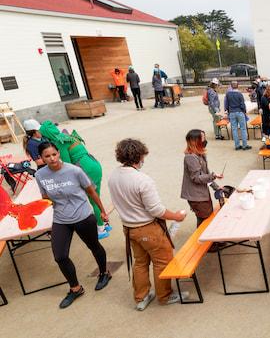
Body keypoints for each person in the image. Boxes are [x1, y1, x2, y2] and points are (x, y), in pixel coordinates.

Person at [107, 138, 187, 310]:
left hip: (128, 228)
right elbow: (156, 210)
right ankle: (165, 295)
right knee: (162, 261)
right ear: (140, 156)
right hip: (148, 228)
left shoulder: (113, 175)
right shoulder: (143, 180)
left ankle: (141, 297)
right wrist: (176, 216)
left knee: (140, 262)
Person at [36, 142, 111, 309]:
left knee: (93, 246)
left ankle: (105, 272)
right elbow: (45, 198)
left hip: (83, 215)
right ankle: (75, 288)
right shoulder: (40, 175)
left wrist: (102, 211)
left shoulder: (74, 171)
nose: (52, 158)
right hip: (61, 219)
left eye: (54, 154)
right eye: (47, 156)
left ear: (58, 153)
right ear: (41, 158)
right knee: (60, 256)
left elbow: (91, 191)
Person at [39, 121, 109, 239]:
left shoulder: (59, 142)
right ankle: (105, 223)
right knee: (96, 197)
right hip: (93, 164)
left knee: (92, 199)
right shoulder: (67, 136)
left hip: (85, 168)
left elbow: (66, 164)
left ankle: (100, 228)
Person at [181, 129, 222, 227]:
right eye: (203, 138)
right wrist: (213, 175)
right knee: (205, 220)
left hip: (201, 194)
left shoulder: (200, 154)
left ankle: (205, 239)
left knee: (205, 217)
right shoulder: (190, 157)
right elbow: (196, 178)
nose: (205, 140)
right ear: (195, 141)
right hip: (196, 196)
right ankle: (203, 240)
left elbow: (205, 173)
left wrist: (216, 187)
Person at [224, 81, 251, 151]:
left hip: (232, 112)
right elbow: (242, 104)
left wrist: (227, 111)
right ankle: (244, 145)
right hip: (239, 111)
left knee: (234, 129)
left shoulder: (228, 94)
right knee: (243, 129)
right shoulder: (239, 94)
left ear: (231, 86)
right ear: (238, 86)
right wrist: (244, 111)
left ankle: (237, 145)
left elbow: (226, 104)